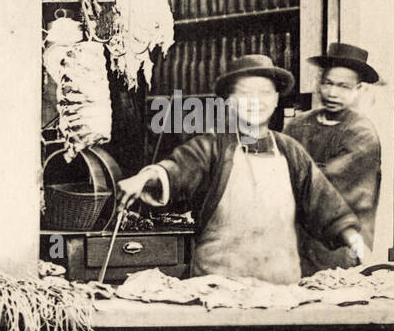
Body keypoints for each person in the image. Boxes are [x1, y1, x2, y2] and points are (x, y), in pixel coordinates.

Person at [117, 54, 363, 285]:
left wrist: (354, 240)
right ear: (229, 101)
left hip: (281, 290)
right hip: (216, 289)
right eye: (245, 94)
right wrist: (145, 177)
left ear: (277, 98)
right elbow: (177, 167)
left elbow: (323, 203)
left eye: (265, 93)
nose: (256, 102)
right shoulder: (212, 145)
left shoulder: (290, 150)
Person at [284, 42, 382, 275]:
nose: (332, 92)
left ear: (359, 89)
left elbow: (325, 184)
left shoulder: (361, 133)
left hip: (339, 244)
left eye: (343, 86)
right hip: (292, 241)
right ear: (319, 83)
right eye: (327, 83)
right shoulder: (298, 124)